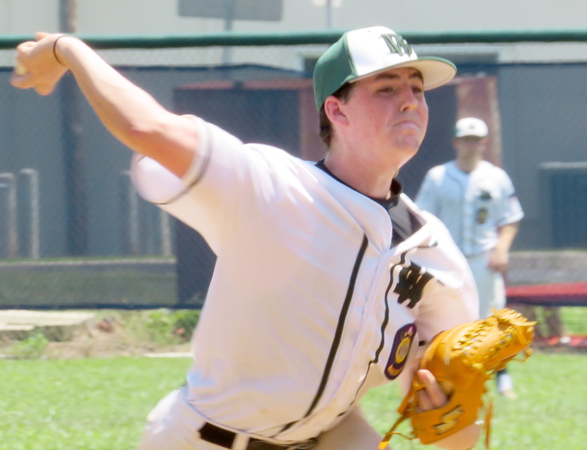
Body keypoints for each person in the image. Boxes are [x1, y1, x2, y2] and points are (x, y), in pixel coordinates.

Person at [11, 26, 481, 450]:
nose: (409, 101)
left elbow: (451, 420)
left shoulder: (435, 252)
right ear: (336, 110)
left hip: (329, 435)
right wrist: (66, 48)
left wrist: (446, 411)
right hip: (206, 441)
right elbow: (146, 127)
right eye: (386, 87)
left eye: (417, 89)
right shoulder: (270, 185)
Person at [415, 117, 524, 399]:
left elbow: (510, 219)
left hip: (483, 256)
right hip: (447, 258)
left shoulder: (496, 177)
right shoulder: (438, 176)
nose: (470, 145)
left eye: (476, 140)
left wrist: (502, 249)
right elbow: (422, 218)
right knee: (448, 318)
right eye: (465, 139)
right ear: (455, 142)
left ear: (484, 144)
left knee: (493, 319)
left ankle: (502, 377)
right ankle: (452, 377)